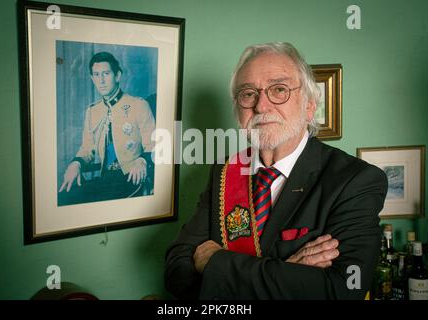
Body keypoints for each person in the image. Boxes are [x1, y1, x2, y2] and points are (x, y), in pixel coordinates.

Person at [164, 42, 388, 299]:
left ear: (309, 105)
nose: (261, 107)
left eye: (279, 89)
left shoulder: (356, 180)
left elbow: (344, 289)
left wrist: (216, 261)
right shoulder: (225, 172)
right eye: (248, 93)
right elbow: (177, 273)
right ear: (238, 109)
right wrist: (286, 275)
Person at [58, 51, 155, 205]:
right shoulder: (92, 112)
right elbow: (86, 149)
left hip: (131, 177)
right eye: (96, 75)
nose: (101, 80)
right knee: (65, 198)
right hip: (105, 179)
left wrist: (142, 161)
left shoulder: (138, 105)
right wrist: (75, 164)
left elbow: (154, 144)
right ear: (92, 78)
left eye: (106, 73)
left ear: (117, 76)